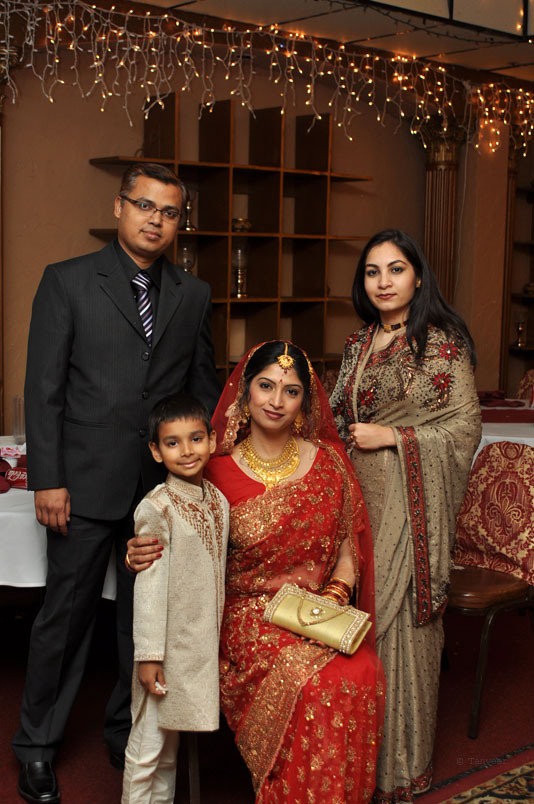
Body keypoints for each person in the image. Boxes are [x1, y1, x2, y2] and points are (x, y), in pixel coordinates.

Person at [13, 162, 220, 804]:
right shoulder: (68, 280)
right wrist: (48, 480)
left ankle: (127, 732)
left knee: (143, 622)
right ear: (120, 206)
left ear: (179, 223)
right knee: (66, 619)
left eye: (170, 212)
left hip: (158, 492)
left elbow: (201, 390)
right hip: (80, 485)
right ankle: (36, 747)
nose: (156, 220)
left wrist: (202, 475)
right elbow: (43, 390)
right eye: (144, 205)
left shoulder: (193, 294)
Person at [128, 340, 385, 804]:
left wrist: (331, 600)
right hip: (247, 616)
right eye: (266, 386)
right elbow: (180, 536)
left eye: (291, 390)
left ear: (305, 402)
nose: (276, 400)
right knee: (314, 683)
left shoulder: (330, 464)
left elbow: (350, 550)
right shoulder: (213, 471)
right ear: (245, 393)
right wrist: (138, 552)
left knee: (363, 668)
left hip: (319, 609)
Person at [329, 230, 481, 803]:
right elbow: (337, 417)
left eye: (396, 269)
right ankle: (357, 763)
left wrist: (394, 437)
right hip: (358, 500)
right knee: (355, 618)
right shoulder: (358, 342)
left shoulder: (440, 344)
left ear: (418, 277)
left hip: (409, 500)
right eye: (372, 272)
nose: (384, 281)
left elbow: (464, 429)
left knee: (397, 629)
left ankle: (399, 769)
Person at [121, 393, 229, 804]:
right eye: (172, 442)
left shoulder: (218, 501)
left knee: (169, 751)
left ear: (212, 440)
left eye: (195, 438)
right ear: (156, 450)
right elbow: (149, 588)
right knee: (147, 750)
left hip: (195, 650)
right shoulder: (157, 508)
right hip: (163, 651)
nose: (186, 451)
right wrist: (149, 655)